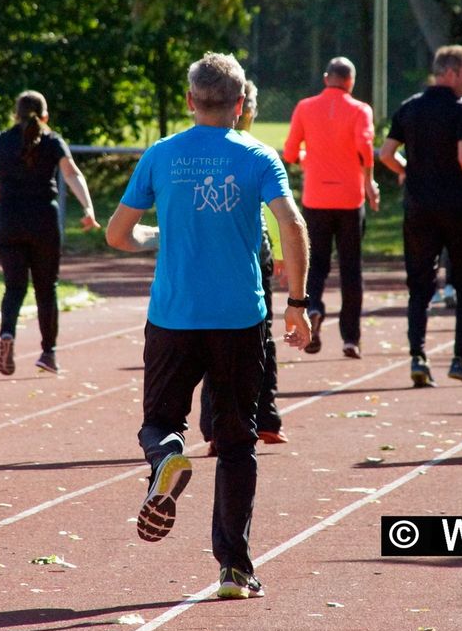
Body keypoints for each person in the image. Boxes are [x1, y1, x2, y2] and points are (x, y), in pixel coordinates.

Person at [106, 53, 310, 600]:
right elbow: (291, 222)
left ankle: (167, 457)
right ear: (241, 106)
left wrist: (158, 237)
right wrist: (298, 302)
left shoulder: (161, 155)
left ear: (190, 102)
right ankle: (235, 569)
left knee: (158, 423)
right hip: (240, 319)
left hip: (173, 316)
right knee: (237, 440)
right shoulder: (259, 156)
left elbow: (119, 235)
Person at [378, 44, 462, 387]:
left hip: (419, 208)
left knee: (420, 284)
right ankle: (460, 358)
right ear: (451, 72)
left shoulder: (410, 108)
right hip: (456, 206)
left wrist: (407, 170)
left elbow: (385, 154)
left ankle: (418, 357)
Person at [0, 90, 99, 375]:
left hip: (9, 221)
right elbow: (71, 174)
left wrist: (4, 198)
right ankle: (48, 352)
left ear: (15, 114)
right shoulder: (52, 141)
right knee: (47, 288)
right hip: (43, 219)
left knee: (14, 287)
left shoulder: (1, 140)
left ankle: (7, 333)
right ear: (45, 116)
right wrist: (88, 208)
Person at [199, 81, 288, 452]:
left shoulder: (201, 147)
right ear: (245, 109)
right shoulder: (256, 151)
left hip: (210, 250)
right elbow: (282, 212)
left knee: (209, 335)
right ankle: (261, 417)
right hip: (252, 249)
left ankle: (222, 424)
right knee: (257, 333)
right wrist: (279, 252)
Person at [282, 57, 379, 358]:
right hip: (350, 200)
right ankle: (351, 338)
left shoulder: (305, 107)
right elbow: (365, 148)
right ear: (351, 81)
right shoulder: (361, 110)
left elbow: (288, 151)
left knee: (317, 266)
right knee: (351, 270)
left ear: (327, 78)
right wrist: (369, 183)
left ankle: (314, 310)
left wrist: (306, 160)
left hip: (316, 199)